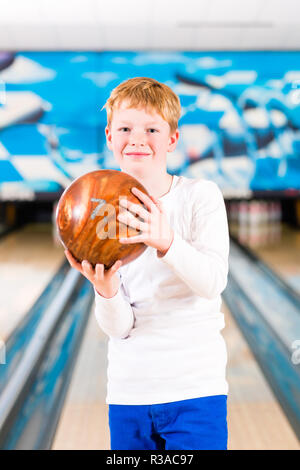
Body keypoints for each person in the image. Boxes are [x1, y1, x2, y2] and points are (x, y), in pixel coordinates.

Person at [65, 77, 230, 450]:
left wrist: (167, 241)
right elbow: (120, 328)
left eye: (151, 129)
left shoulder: (199, 197)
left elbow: (211, 282)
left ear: (172, 138)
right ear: (109, 135)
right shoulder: (100, 215)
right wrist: (105, 292)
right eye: (125, 128)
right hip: (128, 394)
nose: (137, 139)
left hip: (196, 391)